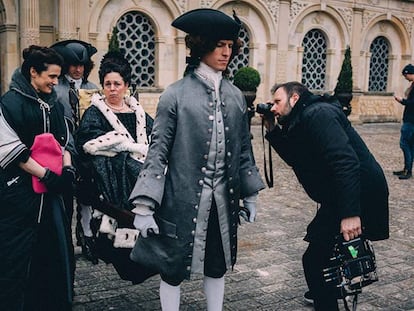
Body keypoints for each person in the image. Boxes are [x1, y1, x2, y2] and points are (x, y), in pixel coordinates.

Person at [128, 8, 265, 311]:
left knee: (217, 264)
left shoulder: (235, 96)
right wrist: (144, 204)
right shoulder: (174, 95)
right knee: (172, 268)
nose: (226, 52)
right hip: (181, 200)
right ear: (202, 45)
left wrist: (250, 193)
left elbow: (244, 149)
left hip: (223, 202)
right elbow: (158, 151)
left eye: (230, 45)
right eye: (220, 45)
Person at [261, 81, 389, 311]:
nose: (273, 107)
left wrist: (350, 213)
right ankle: (327, 289)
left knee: (314, 260)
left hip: (358, 193)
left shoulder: (319, 115)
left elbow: (345, 162)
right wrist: (272, 129)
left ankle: (326, 298)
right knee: (326, 254)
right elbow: (297, 158)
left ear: (295, 98)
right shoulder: (303, 118)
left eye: (277, 102)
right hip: (342, 193)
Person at [0, 45, 75, 310]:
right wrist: (46, 176)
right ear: (33, 72)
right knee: (17, 258)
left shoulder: (54, 102)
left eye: (58, 77)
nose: (56, 83)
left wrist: (66, 170)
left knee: (54, 253)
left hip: (51, 198)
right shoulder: (9, 102)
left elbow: (64, 141)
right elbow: (10, 149)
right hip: (18, 197)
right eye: (52, 77)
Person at [74, 51, 156, 283]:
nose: (112, 88)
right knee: (132, 168)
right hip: (113, 169)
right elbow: (88, 143)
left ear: (126, 86)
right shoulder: (95, 111)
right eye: (107, 84)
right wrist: (125, 147)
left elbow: (155, 135)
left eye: (117, 84)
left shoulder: (137, 111)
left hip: (140, 164)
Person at [51, 39, 99, 261]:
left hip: (88, 153)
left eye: (81, 65)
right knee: (66, 198)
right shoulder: (55, 90)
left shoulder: (92, 90)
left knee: (88, 197)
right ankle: (66, 242)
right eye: (73, 64)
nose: (78, 69)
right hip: (64, 152)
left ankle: (87, 235)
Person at [393, 63, 414, 180]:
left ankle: (407, 170)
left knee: (405, 144)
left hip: (411, 121)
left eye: (406, 75)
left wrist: (402, 101)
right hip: (411, 120)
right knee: (410, 145)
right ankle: (407, 168)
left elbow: (413, 104)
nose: (405, 78)